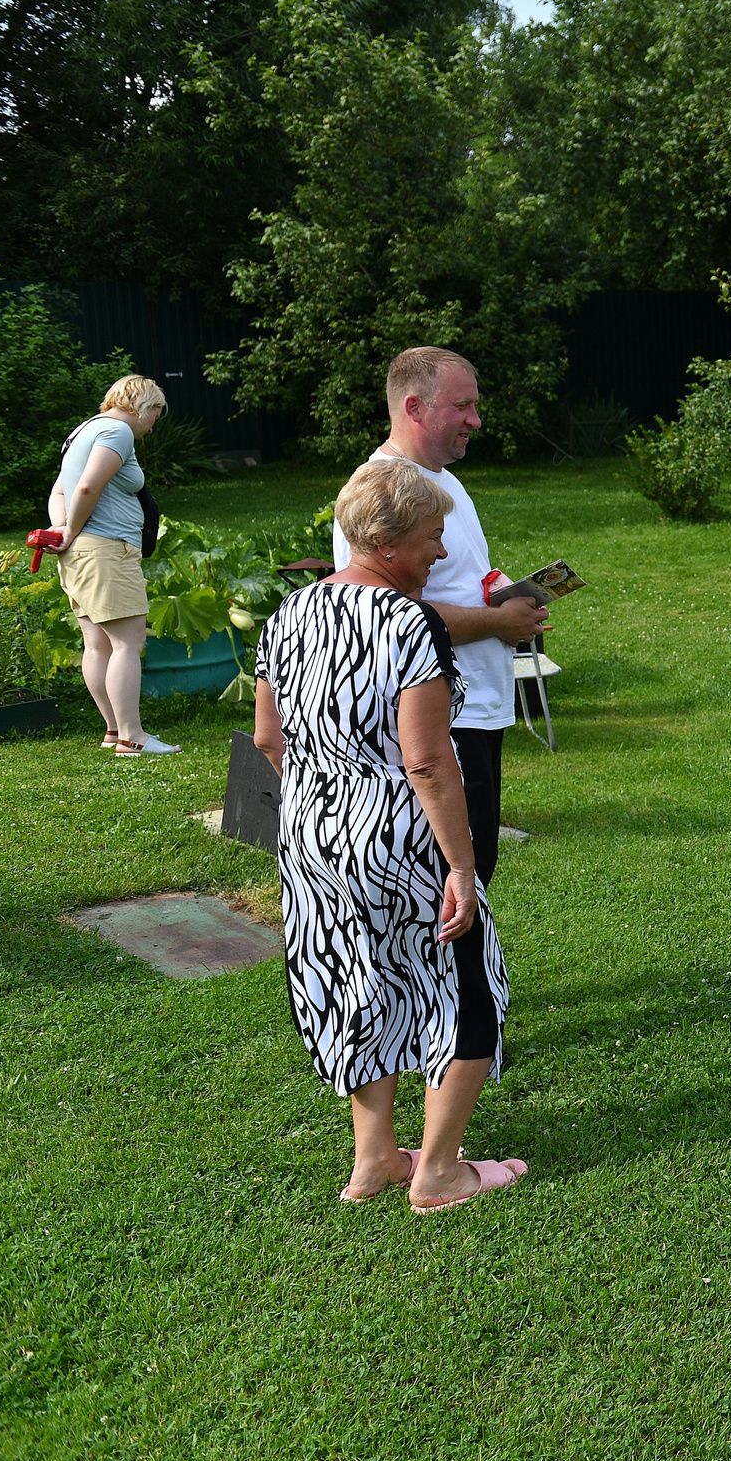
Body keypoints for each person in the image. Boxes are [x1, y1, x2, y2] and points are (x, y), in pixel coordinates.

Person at [257, 457, 526, 1212]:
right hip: (400, 836)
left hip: (311, 835)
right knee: (469, 985)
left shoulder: (290, 612)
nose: (440, 554)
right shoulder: (411, 622)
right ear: (385, 543)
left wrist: (325, 806)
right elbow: (429, 759)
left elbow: (268, 738)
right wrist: (463, 864)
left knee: (356, 981)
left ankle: (375, 1156)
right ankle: (439, 1171)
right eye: (431, 539)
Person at [331, 348, 547, 1059]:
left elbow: (460, 577)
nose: (476, 420)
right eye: (464, 406)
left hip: (480, 709)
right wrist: (501, 623)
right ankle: (458, 1032)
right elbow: (392, 611)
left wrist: (505, 589)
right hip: (442, 719)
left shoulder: (442, 481)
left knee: (471, 871)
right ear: (415, 406)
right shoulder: (381, 490)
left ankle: (455, 1013)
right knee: (451, 888)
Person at [49, 375, 174, 755]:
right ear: (144, 404)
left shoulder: (83, 431)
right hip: (106, 551)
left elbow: (59, 491)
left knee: (98, 644)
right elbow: (87, 488)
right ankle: (132, 736)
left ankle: (112, 730)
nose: (154, 424)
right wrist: (70, 529)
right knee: (128, 642)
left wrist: (62, 529)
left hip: (81, 554)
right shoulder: (118, 431)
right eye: (156, 412)